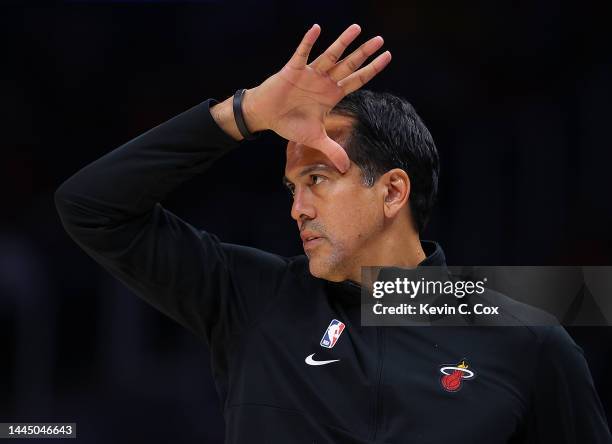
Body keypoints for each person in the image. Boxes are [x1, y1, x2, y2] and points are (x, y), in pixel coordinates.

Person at [55, 24, 611, 443]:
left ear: (393, 192)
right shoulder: (249, 299)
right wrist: (242, 114)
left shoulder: (531, 343)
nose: (297, 208)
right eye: (291, 186)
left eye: (317, 179)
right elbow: (89, 207)